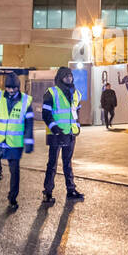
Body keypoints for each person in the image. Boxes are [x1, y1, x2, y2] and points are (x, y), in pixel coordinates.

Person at [0, 73, 33, 207]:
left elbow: (29, 124)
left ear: (18, 87)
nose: (11, 90)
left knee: (15, 172)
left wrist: (28, 141)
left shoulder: (26, 101)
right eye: (8, 88)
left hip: (14, 143)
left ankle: (12, 197)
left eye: (14, 88)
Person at [41, 66, 86, 204]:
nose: (69, 78)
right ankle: (47, 192)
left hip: (70, 133)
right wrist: (55, 129)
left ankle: (71, 190)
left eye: (70, 75)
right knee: (52, 164)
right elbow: (46, 114)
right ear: (60, 77)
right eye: (66, 75)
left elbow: (76, 112)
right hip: (56, 134)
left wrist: (77, 126)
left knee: (68, 163)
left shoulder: (76, 93)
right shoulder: (52, 92)